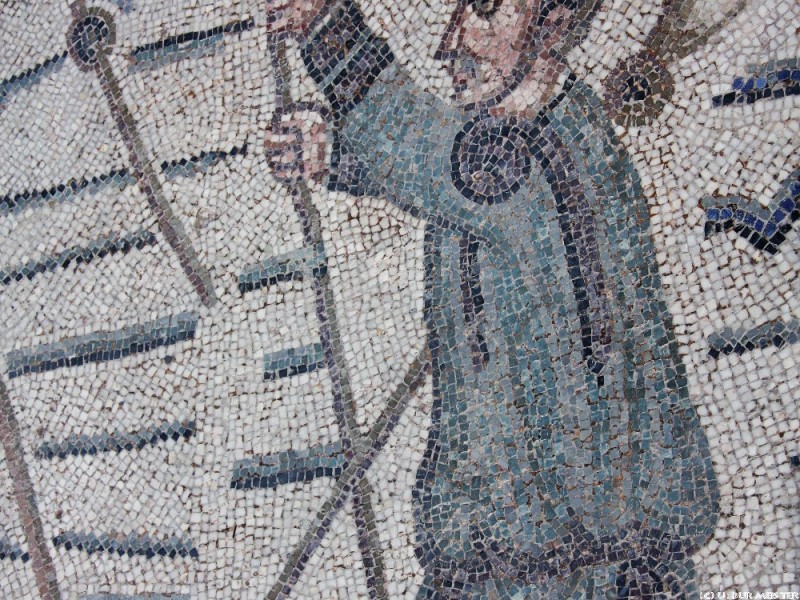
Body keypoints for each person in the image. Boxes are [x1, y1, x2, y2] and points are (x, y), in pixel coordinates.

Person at [265, 0, 720, 596]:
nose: (450, 43)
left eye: (483, 9)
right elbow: (451, 183)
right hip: (518, 568)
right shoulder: (545, 141)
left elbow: (446, 161)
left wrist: (328, 28)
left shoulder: (540, 157)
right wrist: (338, 156)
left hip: (574, 575)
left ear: (553, 22)